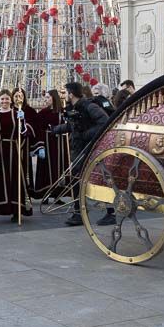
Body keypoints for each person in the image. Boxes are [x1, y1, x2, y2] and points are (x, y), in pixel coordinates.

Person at [52, 81, 111, 226]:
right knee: (77, 180)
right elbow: (72, 126)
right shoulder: (74, 107)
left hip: (89, 149)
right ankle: (78, 212)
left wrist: (86, 135)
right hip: (78, 149)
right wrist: (55, 129)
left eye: (65, 93)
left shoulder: (89, 106)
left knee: (100, 178)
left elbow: (105, 122)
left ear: (71, 94)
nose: (63, 95)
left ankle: (111, 212)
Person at [0, 89, 33, 224]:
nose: (4, 101)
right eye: (2, 99)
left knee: (15, 180)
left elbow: (24, 134)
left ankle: (16, 210)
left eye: (7, 99)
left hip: (13, 151)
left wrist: (22, 121)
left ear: (11, 100)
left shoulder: (17, 114)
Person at [33, 89, 69, 204]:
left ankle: (57, 194)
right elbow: (38, 129)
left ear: (54, 98)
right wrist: (40, 145)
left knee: (58, 168)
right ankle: (46, 194)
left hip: (60, 143)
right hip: (47, 143)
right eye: (46, 97)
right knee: (46, 168)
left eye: (48, 97)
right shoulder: (43, 112)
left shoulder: (62, 112)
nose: (46, 99)